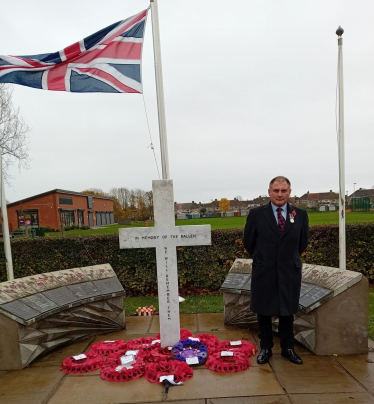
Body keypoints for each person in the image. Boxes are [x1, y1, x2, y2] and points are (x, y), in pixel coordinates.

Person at [243, 176, 309, 365]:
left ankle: (288, 348)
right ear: (269, 192)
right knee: (264, 309)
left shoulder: (300, 214)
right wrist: (264, 258)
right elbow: (249, 242)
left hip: (289, 270)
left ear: (289, 192)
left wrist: (288, 258)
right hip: (265, 269)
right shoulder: (256, 214)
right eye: (276, 190)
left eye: (284, 191)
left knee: (287, 309)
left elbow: (302, 242)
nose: (280, 194)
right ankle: (266, 347)